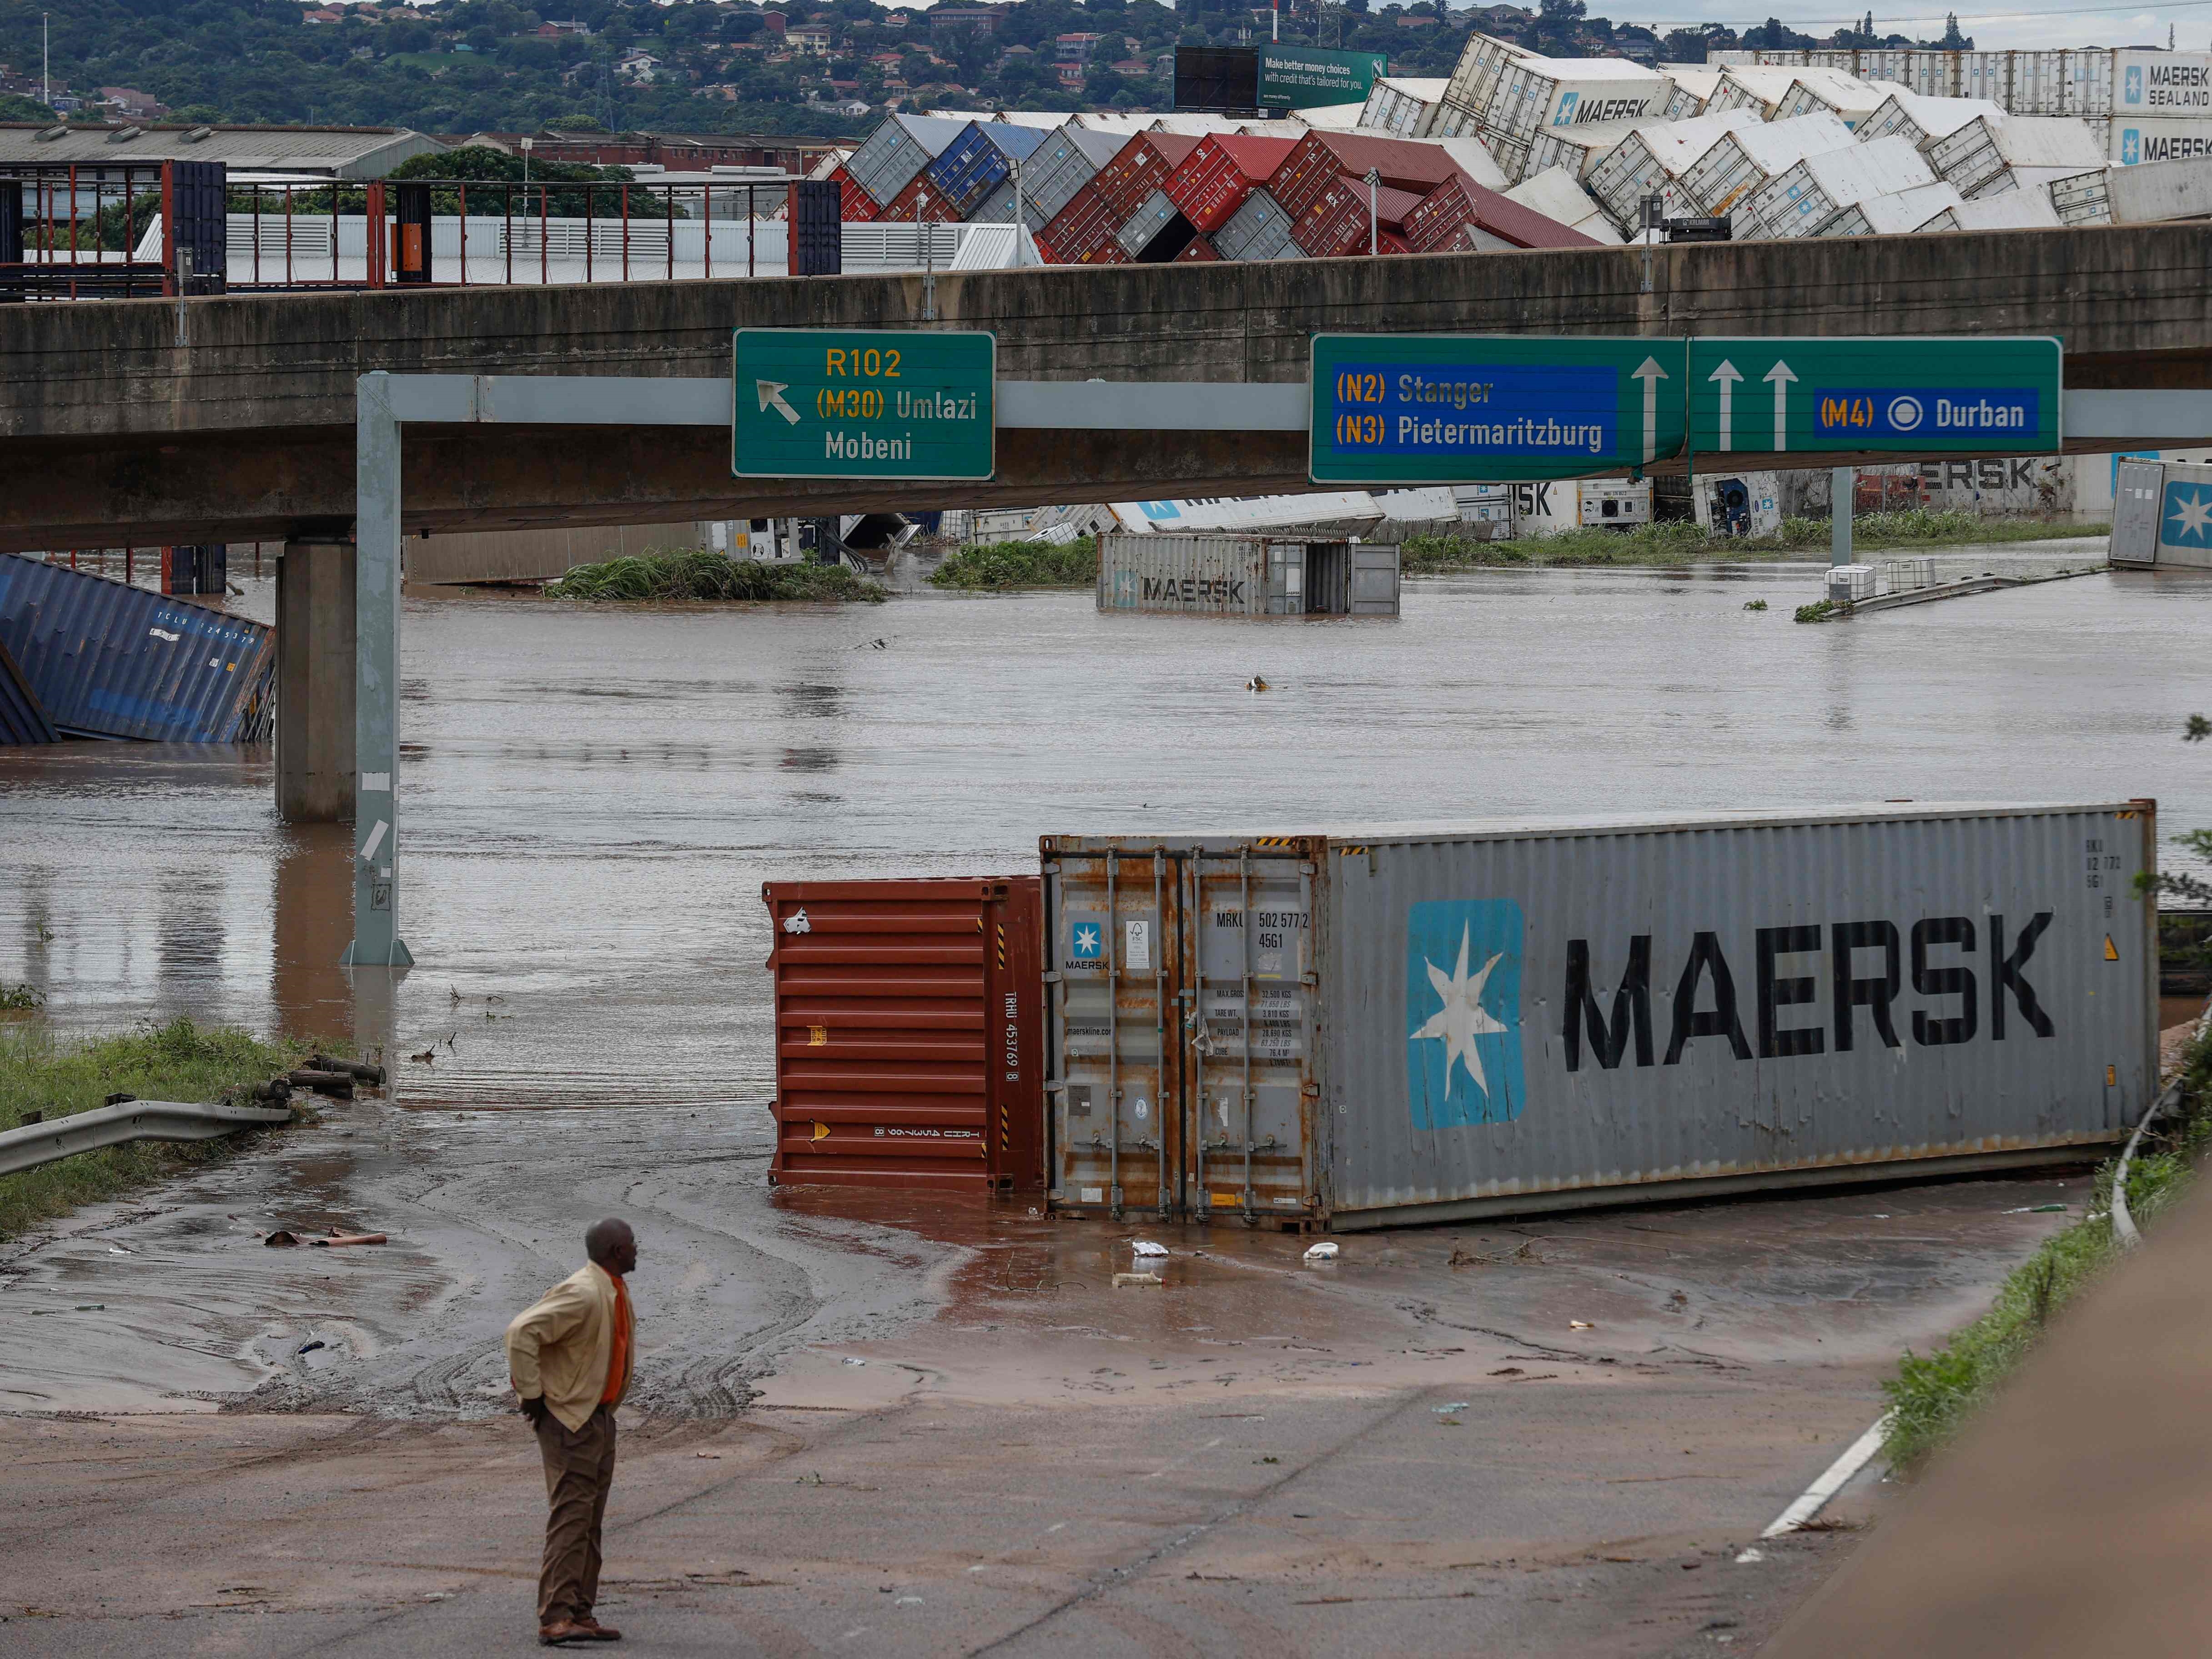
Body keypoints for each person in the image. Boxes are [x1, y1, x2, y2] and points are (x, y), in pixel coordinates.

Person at [506, 1217, 638, 1645]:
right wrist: (532, 1395)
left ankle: (581, 1612)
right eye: (632, 1244)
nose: (637, 1250)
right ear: (616, 1251)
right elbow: (521, 1332)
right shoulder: (583, 1292)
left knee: (589, 1523)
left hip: (597, 1418)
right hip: (571, 1421)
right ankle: (556, 1618)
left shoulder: (612, 1289)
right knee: (571, 1519)